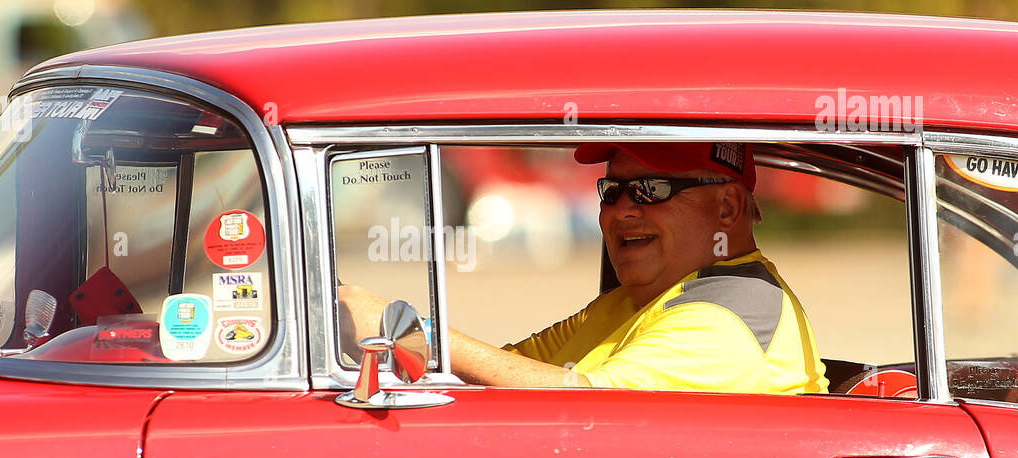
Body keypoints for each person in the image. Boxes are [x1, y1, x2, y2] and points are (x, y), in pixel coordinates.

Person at [338, 142, 828, 393]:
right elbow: (500, 370)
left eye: (650, 190)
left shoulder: (731, 313)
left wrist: (410, 331)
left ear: (727, 209)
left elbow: (588, 405)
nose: (621, 210)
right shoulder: (638, 301)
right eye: (610, 191)